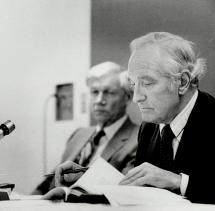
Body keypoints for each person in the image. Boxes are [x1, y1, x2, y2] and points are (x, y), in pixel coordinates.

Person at [118, 32, 215, 205]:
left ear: (183, 82)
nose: (136, 97)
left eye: (147, 83)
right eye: (133, 84)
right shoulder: (149, 127)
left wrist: (179, 182)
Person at [33, 61, 139, 195]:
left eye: (109, 93)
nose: (99, 100)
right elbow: (49, 183)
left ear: (128, 98)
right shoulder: (79, 134)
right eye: (95, 92)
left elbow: (126, 192)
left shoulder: (140, 138)